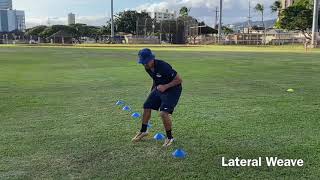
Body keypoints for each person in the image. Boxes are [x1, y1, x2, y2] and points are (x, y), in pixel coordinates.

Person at [132, 48, 183, 147]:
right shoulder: (147, 67)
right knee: (147, 105)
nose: (144, 64)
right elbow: (156, 79)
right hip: (159, 88)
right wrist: (152, 93)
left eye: (146, 62)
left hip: (173, 89)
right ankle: (143, 131)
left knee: (163, 113)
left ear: (152, 59)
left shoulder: (163, 66)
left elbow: (179, 80)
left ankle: (169, 137)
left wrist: (165, 86)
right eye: (143, 62)